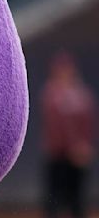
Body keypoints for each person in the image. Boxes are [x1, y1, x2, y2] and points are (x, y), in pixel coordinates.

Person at [41, 52, 97, 218]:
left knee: (77, 201)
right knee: (54, 201)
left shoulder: (82, 94)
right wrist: (71, 146)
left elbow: (88, 124)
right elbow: (55, 126)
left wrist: (84, 147)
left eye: (66, 69)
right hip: (58, 156)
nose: (63, 72)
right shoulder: (51, 93)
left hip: (78, 157)